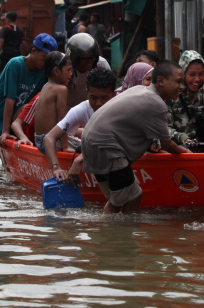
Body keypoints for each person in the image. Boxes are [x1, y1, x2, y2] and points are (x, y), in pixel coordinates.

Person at [80, 60, 192, 214]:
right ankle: (111, 234)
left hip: (91, 142)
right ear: (160, 81)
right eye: (178, 82)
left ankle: (117, 234)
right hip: (106, 146)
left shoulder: (140, 89)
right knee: (130, 196)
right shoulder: (156, 103)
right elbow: (167, 145)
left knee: (120, 197)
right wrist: (186, 153)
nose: (182, 87)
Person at [0, 33, 58, 179]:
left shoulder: (43, 72)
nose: (45, 63)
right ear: (33, 51)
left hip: (13, 121)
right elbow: (10, 100)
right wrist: (5, 131)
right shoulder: (15, 64)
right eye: (43, 57)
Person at [45, 68, 117, 183]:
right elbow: (49, 138)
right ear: (87, 92)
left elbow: (111, 144)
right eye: (93, 98)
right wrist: (56, 168)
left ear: (114, 94)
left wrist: (79, 160)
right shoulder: (80, 110)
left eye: (104, 98)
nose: (98, 103)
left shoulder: (121, 109)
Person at [166, 50, 204, 148]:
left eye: (201, 74)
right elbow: (165, 127)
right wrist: (182, 137)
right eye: (192, 74)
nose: (197, 79)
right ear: (183, 73)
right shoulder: (171, 92)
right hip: (180, 148)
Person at [33, 51, 73, 153]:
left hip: (39, 140)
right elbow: (62, 120)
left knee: (80, 131)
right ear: (56, 71)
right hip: (52, 142)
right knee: (86, 143)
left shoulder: (45, 86)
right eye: (68, 70)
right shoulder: (61, 90)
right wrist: (65, 147)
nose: (71, 74)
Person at [65, 33, 111, 109]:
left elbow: (109, 90)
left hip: (93, 109)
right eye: (85, 59)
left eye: (92, 57)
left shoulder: (101, 64)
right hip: (69, 110)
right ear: (74, 60)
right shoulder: (66, 68)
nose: (90, 61)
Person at [0, 11, 26, 77]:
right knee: (15, 72)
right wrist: (24, 55)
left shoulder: (5, 29)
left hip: (6, 54)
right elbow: (24, 43)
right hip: (17, 54)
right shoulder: (20, 30)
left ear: (8, 19)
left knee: (1, 73)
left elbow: (1, 41)